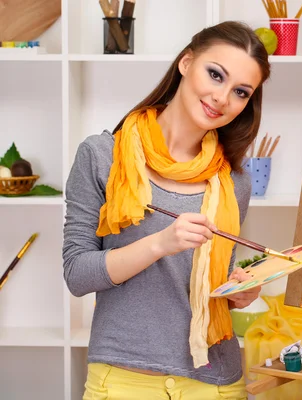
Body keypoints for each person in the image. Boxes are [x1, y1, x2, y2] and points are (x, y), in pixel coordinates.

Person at [62, 21, 271, 399]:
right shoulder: (101, 156)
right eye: (215, 75)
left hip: (216, 382)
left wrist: (240, 290)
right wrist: (159, 243)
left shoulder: (233, 181)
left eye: (240, 91)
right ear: (186, 63)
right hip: (124, 381)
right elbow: (78, 274)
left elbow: (214, 280)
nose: (222, 98)